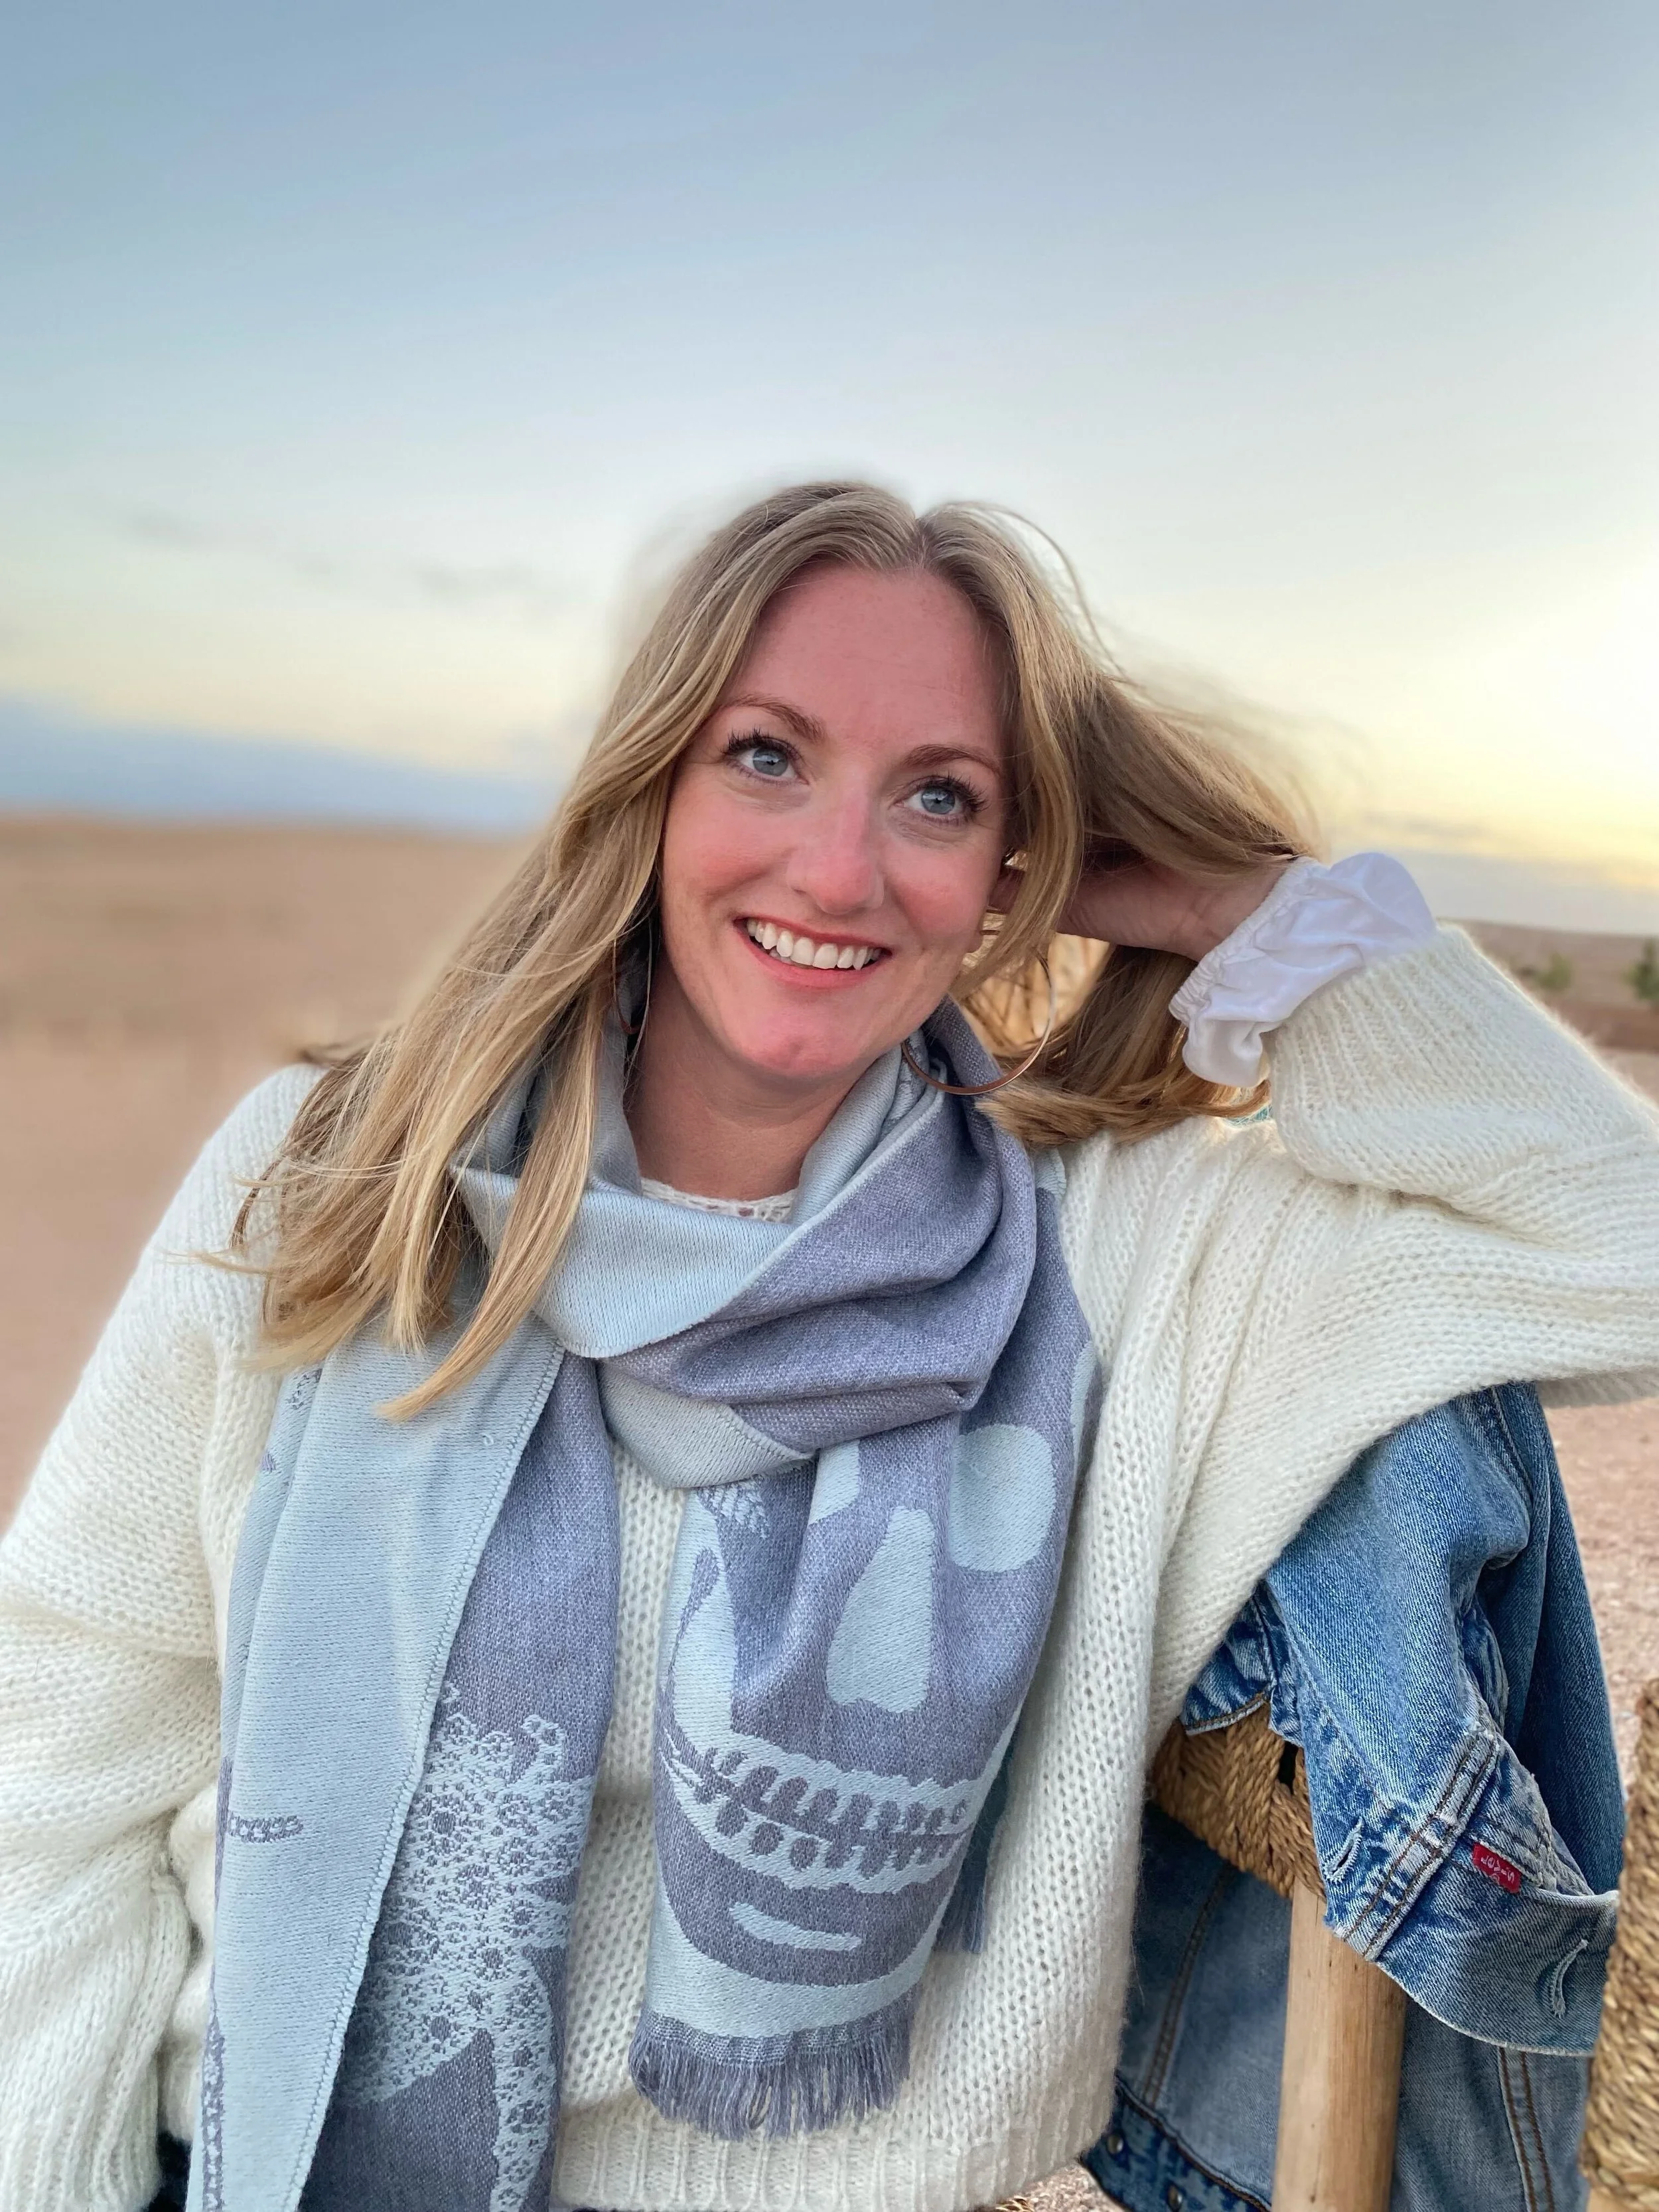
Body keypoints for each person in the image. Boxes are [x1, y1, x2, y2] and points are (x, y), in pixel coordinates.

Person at [1, 480, 1656, 2212]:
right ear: (650, 781)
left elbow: (1623, 1252)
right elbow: (48, 1763)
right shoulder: (348, 1176)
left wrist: (1261, 909)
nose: (839, 869)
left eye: (937, 795)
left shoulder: (1119, 1261)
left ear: (1019, 869)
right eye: (767, 756)